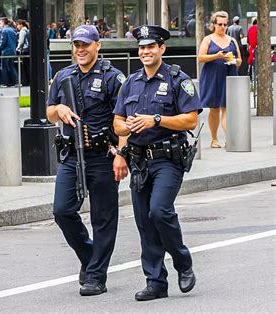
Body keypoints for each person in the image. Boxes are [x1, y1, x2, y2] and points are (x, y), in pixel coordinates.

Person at [113, 25, 201, 302]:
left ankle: (182, 261)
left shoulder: (177, 79)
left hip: (168, 159)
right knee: (144, 221)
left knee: (160, 211)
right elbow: (116, 121)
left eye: (151, 47)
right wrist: (126, 127)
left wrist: (156, 120)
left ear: (162, 49)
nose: (145, 52)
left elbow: (190, 119)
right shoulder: (131, 82)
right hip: (139, 160)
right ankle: (155, 282)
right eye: (141, 48)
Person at [46, 25, 128, 296]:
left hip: (103, 155)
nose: (80, 50)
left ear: (97, 46)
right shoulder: (62, 76)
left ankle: (96, 275)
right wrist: (59, 109)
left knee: (103, 218)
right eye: (76, 45)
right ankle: (91, 256)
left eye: (86, 45)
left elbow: (124, 120)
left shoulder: (113, 78)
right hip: (71, 154)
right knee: (62, 210)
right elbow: (49, 112)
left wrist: (122, 155)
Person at [198, 11, 241, 148]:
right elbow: (200, 58)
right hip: (212, 77)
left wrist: (233, 60)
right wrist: (217, 56)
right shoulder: (208, 39)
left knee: (227, 108)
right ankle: (214, 138)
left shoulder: (232, 40)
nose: (222, 27)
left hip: (229, 76)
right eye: (220, 24)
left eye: (225, 24)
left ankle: (230, 139)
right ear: (214, 25)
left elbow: (239, 60)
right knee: (214, 109)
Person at [0, 17, 18, 87]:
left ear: (3, 22)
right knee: (11, 66)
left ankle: (4, 83)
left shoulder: (4, 31)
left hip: (6, 51)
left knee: (4, 67)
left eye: (0, 23)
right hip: (12, 50)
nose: (0, 24)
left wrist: (0, 47)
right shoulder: (12, 30)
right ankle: (16, 82)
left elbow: (3, 42)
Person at [16, 19, 30, 86]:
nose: (17, 26)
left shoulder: (22, 31)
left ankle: (27, 81)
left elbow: (21, 42)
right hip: (28, 50)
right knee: (28, 66)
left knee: (25, 67)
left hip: (24, 50)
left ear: (21, 24)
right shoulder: (27, 30)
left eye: (18, 25)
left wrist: (18, 48)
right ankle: (29, 81)